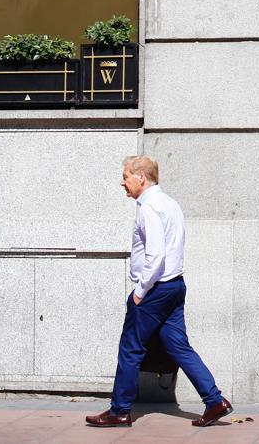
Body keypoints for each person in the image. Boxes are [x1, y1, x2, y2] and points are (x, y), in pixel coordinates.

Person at [85, 155, 233, 428]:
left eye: (126, 176)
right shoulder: (170, 203)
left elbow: (156, 255)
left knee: (130, 348)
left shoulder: (149, 206)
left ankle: (119, 410)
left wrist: (140, 291)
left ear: (141, 177)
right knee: (179, 347)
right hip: (175, 286)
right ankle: (214, 400)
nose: (122, 182)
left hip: (155, 288)